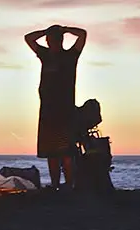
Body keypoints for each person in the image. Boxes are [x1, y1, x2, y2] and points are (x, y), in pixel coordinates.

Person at [24, 24, 88, 190]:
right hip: (47, 111)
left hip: (65, 111)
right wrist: (46, 31)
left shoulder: (70, 55)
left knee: (66, 152)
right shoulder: (45, 55)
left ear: (60, 40)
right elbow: (28, 38)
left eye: (54, 39)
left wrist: (65, 29)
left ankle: (69, 184)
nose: (51, 42)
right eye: (49, 39)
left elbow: (82, 34)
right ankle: (54, 184)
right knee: (51, 152)